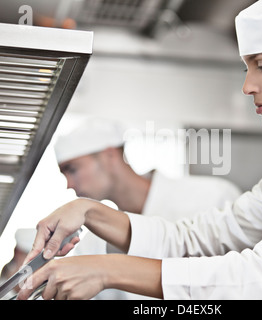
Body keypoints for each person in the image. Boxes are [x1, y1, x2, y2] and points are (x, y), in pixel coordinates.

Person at [18, 0, 262, 300]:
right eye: (247, 68)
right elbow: (203, 237)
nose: (248, 86)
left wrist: (107, 271)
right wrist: (90, 211)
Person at [52, 117, 242, 299]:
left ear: (109, 155)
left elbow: (244, 280)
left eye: (72, 169)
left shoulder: (214, 196)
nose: (69, 184)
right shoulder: (94, 242)